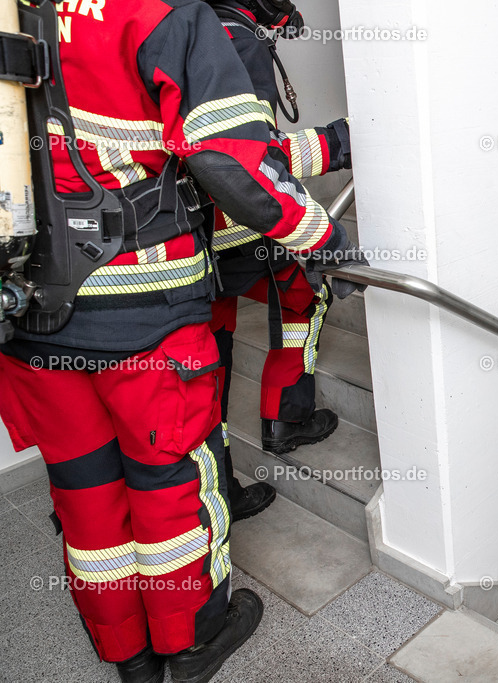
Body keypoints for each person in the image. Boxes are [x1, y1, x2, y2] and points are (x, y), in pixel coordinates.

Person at [0, 1, 363, 681]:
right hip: (144, 316)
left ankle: (128, 656)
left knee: (85, 495)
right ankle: (191, 640)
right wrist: (327, 241)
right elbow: (233, 165)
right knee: (169, 485)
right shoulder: (156, 12)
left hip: (25, 319)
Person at [202, 0, 355, 522]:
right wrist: (336, 145)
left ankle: (217, 488)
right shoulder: (238, 39)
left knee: (210, 360)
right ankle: (286, 419)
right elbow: (250, 161)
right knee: (307, 294)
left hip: (186, 250)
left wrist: (333, 145)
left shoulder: (184, 27)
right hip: (240, 231)